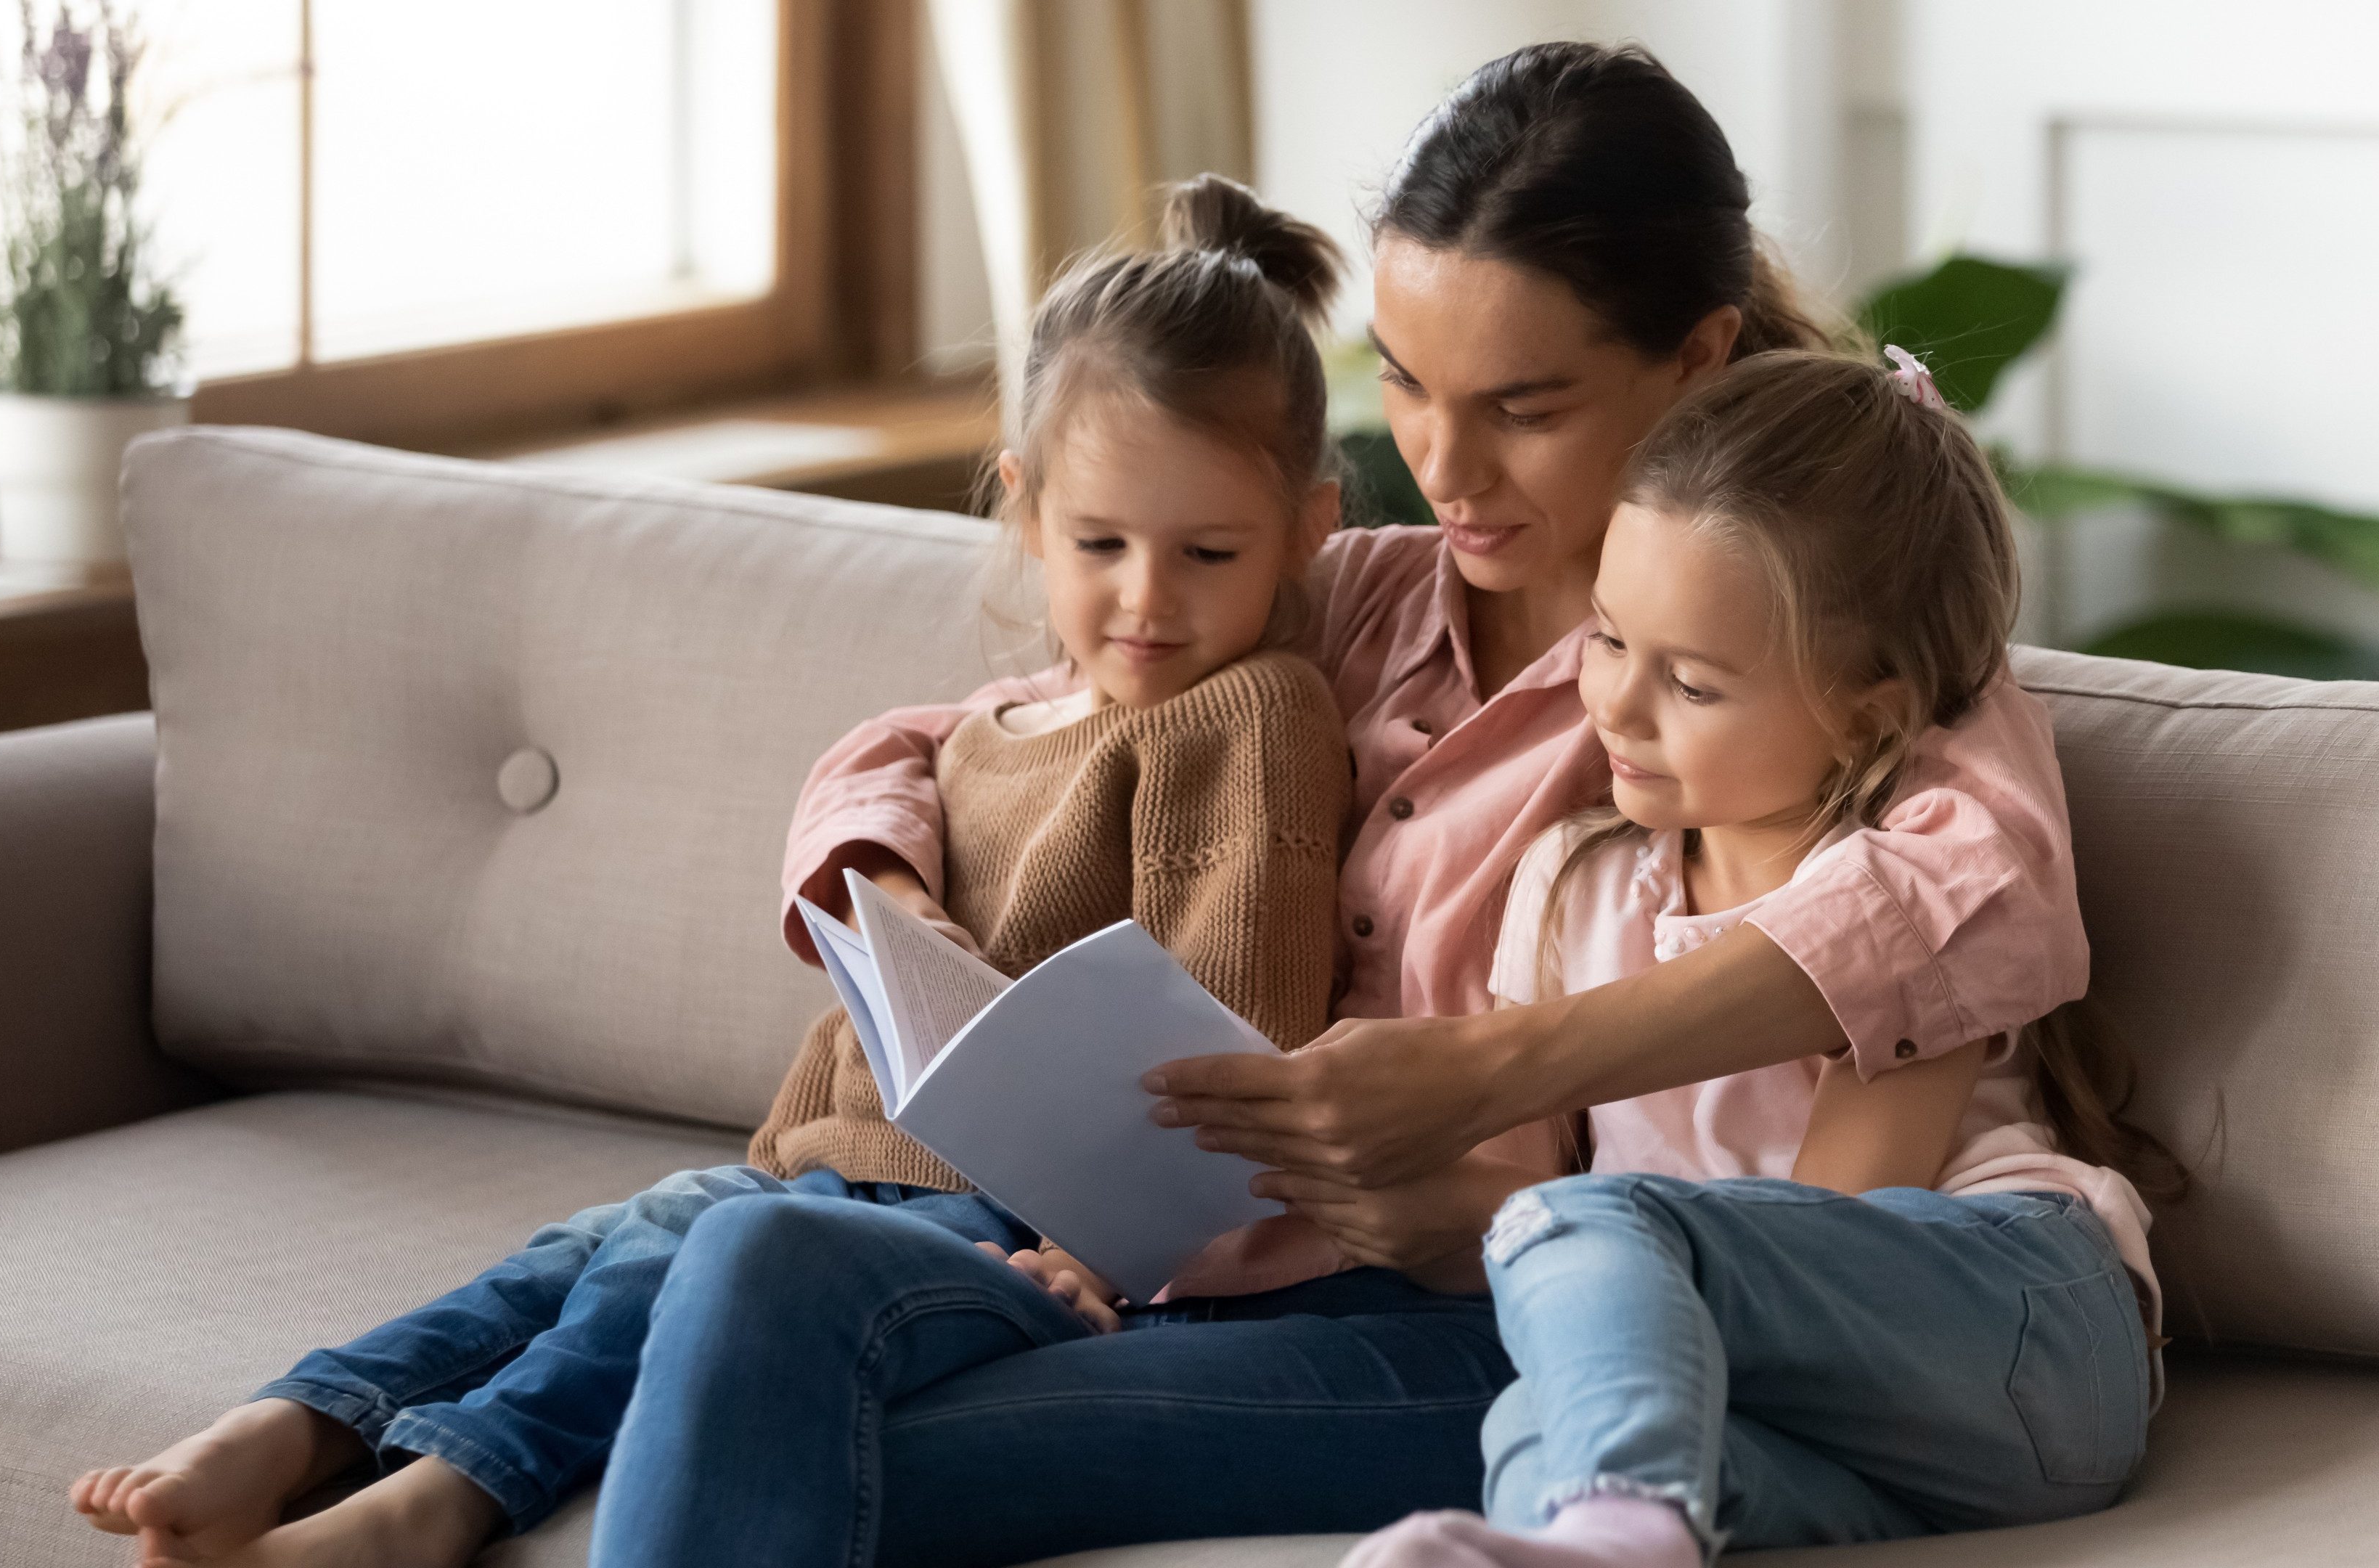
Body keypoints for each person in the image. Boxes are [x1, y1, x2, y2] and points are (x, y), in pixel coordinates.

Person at [589, 41, 2112, 1568]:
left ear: (1696, 358)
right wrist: (901, 897)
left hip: (1491, 1301)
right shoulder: (1367, 602)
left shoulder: (1838, 650)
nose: (1439, 466)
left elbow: (1958, 908)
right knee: (736, 1248)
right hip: (1251, 1244)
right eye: (1402, 381)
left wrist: (1481, 1074)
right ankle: (434, 1468)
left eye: (1523, 404)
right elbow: (956, 731)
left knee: (815, 1425)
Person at [65, 173, 1358, 1568]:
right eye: (1100, 545)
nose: (1147, 598)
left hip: (995, 1230)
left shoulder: (1251, 712)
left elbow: (1230, 1044)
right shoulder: (992, 726)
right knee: (586, 1250)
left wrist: (1103, 1254)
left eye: (1206, 552)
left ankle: (425, 1507)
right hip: (839, 1176)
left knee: (666, 1268)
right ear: (1027, 509)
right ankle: (292, 1425)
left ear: (1307, 527)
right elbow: (879, 777)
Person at [1342, 350, 2177, 1568]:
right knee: (1535, 1420)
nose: (1615, 707)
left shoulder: (1902, 896)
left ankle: (1621, 1515)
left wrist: (1558, 1233)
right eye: (1609, 640)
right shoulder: (1570, 888)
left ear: (1868, 712)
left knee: (1585, 1231)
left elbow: (1839, 1223)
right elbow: (1522, 1214)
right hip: (1853, 1432)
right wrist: (1399, 1208)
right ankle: (1617, 1538)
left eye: (1690, 682)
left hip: (2017, 1336)